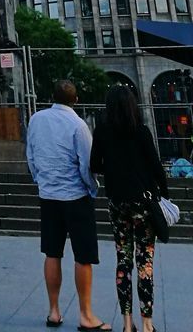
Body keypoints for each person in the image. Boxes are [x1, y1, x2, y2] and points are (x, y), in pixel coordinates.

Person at [26, 79, 110, 332]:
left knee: (52, 252)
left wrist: (41, 180)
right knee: (83, 257)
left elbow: (30, 156)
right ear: (75, 100)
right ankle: (85, 315)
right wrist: (92, 187)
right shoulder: (78, 125)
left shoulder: (36, 119)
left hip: (48, 195)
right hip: (75, 197)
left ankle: (53, 311)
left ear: (52, 97)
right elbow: (86, 164)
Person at [90, 84, 168, 332]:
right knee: (145, 262)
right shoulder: (141, 130)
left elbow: (94, 164)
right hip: (143, 204)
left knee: (123, 262)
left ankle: (126, 323)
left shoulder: (102, 131)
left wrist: (114, 171)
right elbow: (156, 167)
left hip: (117, 204)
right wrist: (164, 195)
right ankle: (147, 324)